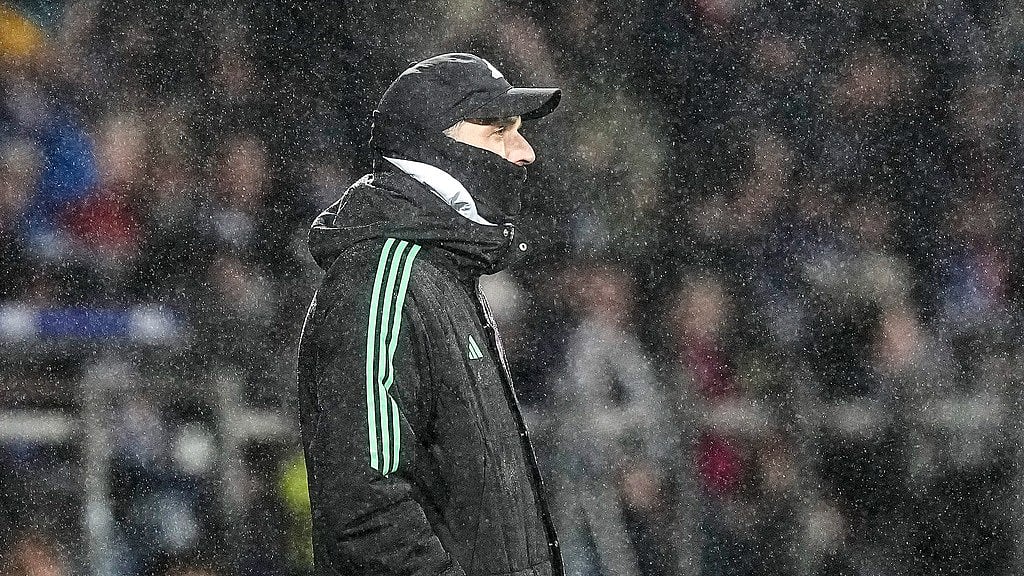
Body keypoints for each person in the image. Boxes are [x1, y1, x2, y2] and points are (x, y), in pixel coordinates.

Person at [296, 53, 563, 576]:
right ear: (435, 149)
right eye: (498, 130)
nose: (524, 151)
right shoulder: (381, 278)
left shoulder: (439, 275)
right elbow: (365, 509)